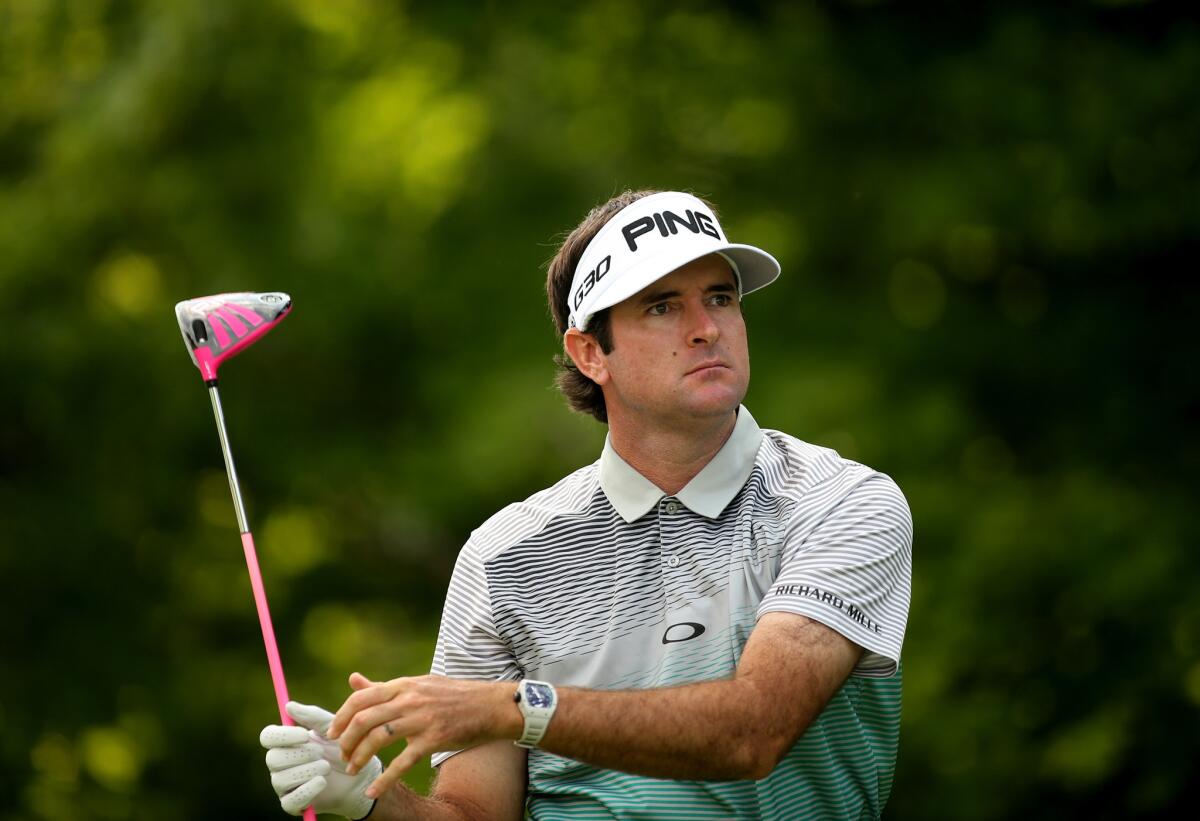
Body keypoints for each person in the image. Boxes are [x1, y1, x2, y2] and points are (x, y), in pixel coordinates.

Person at [260, 190, 914, 820]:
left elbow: (753, 731)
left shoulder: (839, 501)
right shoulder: (502, 555)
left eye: (720, 297)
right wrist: (372, 798)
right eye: (662, 307)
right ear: (590, 352)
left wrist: (517, 707)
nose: (706, 327)